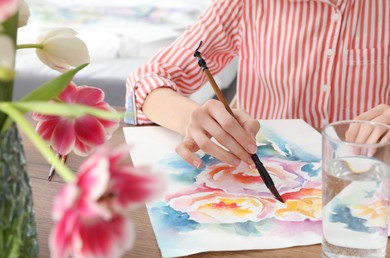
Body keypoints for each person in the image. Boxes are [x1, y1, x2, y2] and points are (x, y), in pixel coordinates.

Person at [125, 0, 390, 169]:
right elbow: (144, 82)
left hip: (366, 187)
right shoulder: (245, 4)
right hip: (265, 184)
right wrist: (189, 119)